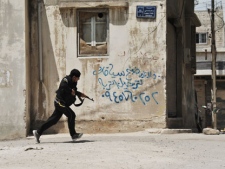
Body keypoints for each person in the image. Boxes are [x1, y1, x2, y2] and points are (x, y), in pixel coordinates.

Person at [33, 69, 88, 143]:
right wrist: (70, 91)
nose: (78, 80)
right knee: (71, 115)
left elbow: (74, 91)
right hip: (59, 102)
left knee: (53, 120)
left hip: (63, 104)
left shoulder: (73, 83)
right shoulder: (66, 80)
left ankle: (38, 132)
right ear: (74, 77)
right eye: (78, 78)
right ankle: (73, 134)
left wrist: (80, 94)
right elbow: (63, 86)